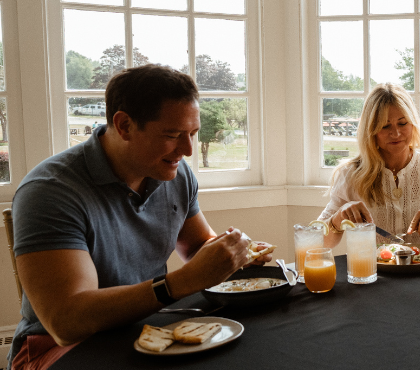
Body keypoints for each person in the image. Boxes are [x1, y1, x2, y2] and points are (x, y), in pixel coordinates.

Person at [10, 65, 271, 370]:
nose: (187, 150)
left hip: (147, 329)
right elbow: (66, 322)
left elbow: (198, 247)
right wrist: (175, 284)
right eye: (173, 135)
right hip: (57, 349)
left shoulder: (175, 172)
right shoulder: (50, 191)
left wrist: (230, 254)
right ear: (124, 126)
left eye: (192, 134)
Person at [318, 83, 420, 245]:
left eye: (402, 123)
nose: (395, 133)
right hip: (369, 270)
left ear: (413, 124)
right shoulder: (350, 174)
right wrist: (338, 219)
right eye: (385, 126)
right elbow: (318, 242)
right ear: (371, 130)